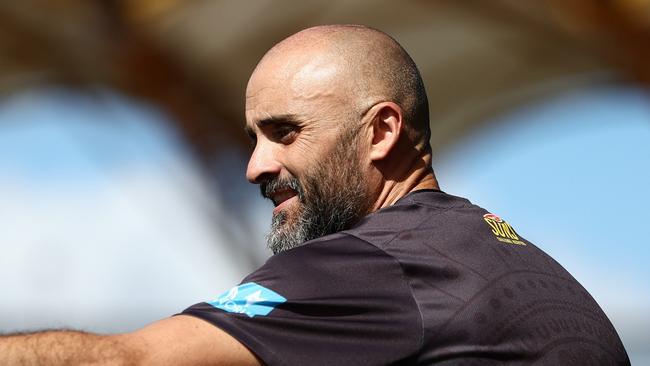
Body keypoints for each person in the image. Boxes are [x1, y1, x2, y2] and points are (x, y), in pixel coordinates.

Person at [0, 25, 629, 365]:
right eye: (253, 138)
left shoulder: (382, 264)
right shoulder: (509, 260)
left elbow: (127, 363)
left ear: (381, 131)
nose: (255, 166)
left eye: (285, 133)